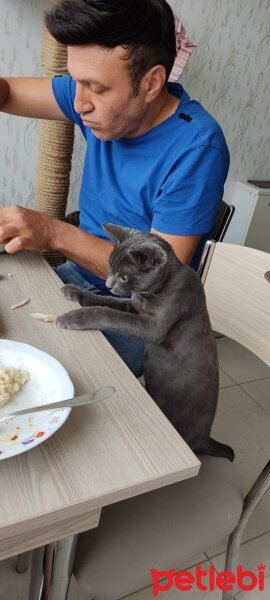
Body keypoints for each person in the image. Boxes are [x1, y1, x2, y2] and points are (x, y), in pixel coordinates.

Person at [0, 0, 230, 376]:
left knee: (29, 375)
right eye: (75, 80)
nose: (78, 103)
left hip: (145, 316)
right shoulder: (95, 100)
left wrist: (53, 231)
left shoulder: (196, 147)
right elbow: (8, 92)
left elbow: (156, 281)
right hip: (83, 279)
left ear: (152, 82)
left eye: (96, 88)